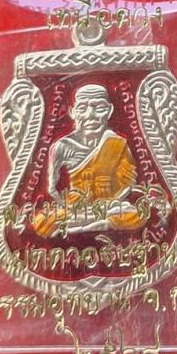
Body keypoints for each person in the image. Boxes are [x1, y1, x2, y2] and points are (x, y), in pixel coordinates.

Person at [31, 84, 148, 238]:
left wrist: (111, 202)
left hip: (110, 208)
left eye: (99, 108)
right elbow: (52, 188)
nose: (90, 115)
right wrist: (71, 205)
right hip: (75, 208)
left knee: (137, 215)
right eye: (82, 108)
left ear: (109, 111)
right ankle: (92, 223)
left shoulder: (117, 143)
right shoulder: (62, 146)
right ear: (72, 112)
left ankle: (90, 225)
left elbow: (128, 185)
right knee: (41, 221)